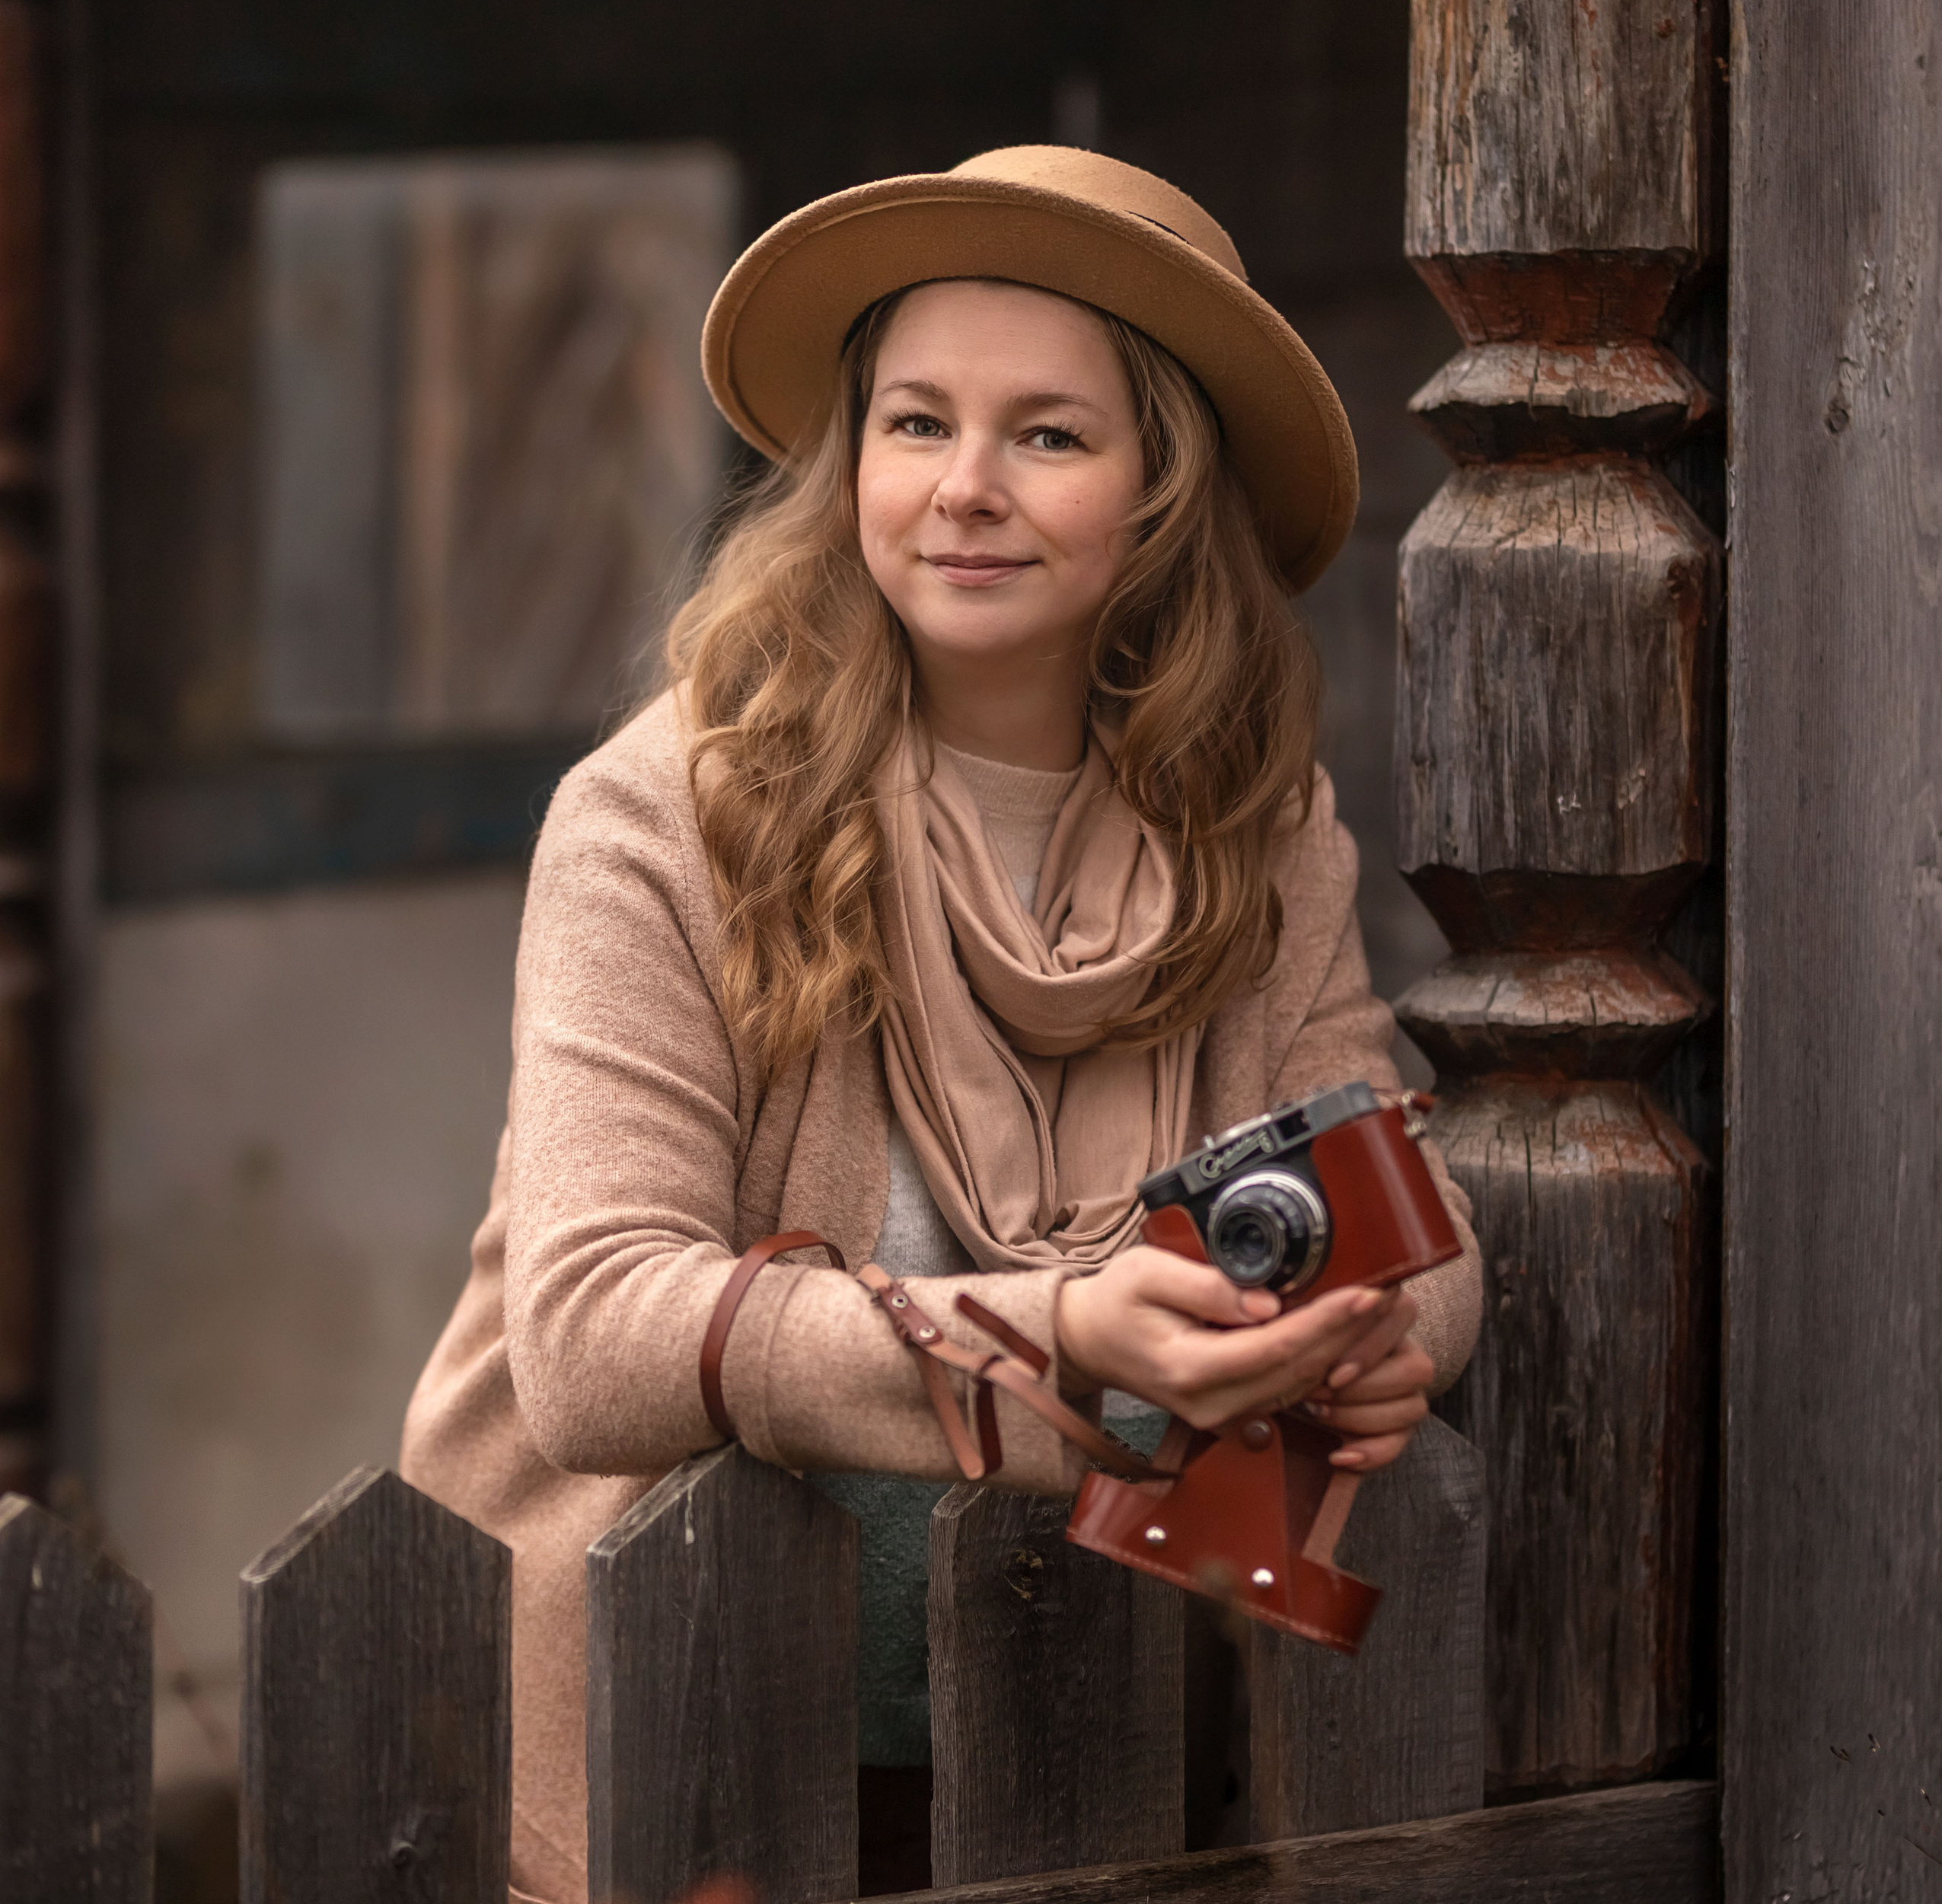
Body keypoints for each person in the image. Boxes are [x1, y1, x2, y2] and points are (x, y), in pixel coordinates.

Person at [400, 145, 1481, 1904]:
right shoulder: (664, 817)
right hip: (676, 1756)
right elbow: (589, 1335)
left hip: (1076, 1743)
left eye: (1045, 434)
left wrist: (1372, 1332)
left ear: (1158, 487)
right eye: (915, 424)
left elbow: (1405, 1207)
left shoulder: (1255, 826)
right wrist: (1064, 1330)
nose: (964, 486)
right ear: (848, 466)